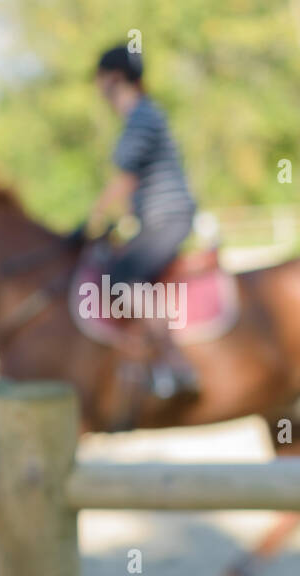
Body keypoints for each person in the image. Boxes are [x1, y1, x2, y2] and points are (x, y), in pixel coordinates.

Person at [85, 44, 200, 399]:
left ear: (115, 79)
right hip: (156, 219)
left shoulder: (141, 117)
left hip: (169, 218)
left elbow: (124, 180)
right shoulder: (143, 116)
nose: (98, 88)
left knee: (122, 276)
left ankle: (173, 360)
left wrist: (92, 220)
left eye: (100, 79)